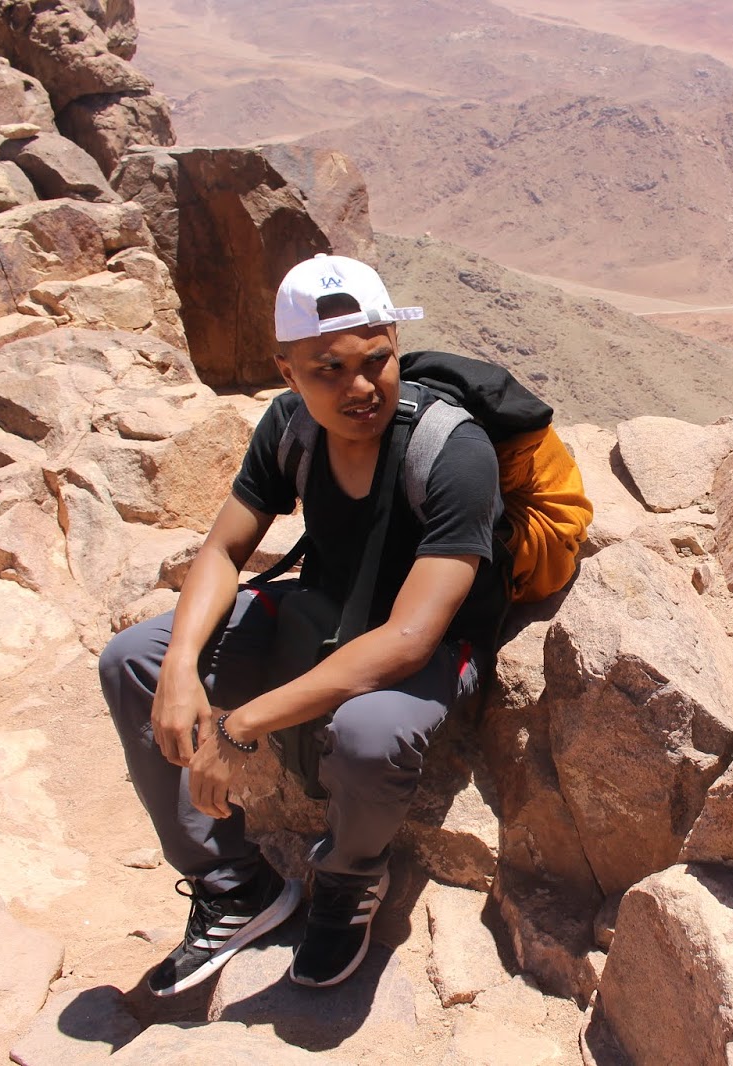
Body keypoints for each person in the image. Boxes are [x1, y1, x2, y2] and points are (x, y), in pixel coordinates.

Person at [99, 254, 507, 997]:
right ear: (287, 372)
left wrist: (237, 726)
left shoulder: (451, 451)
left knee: (368, 733)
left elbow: (411, 638)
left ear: (393, 343)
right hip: (324, 614)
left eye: (375, 361)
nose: (360, 388)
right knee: (134, 660)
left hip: (431, 644)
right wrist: (183, 664)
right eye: (328, 370)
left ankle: (349, 878)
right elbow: (225, 547)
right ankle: (232, 885)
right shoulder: (290, 429)